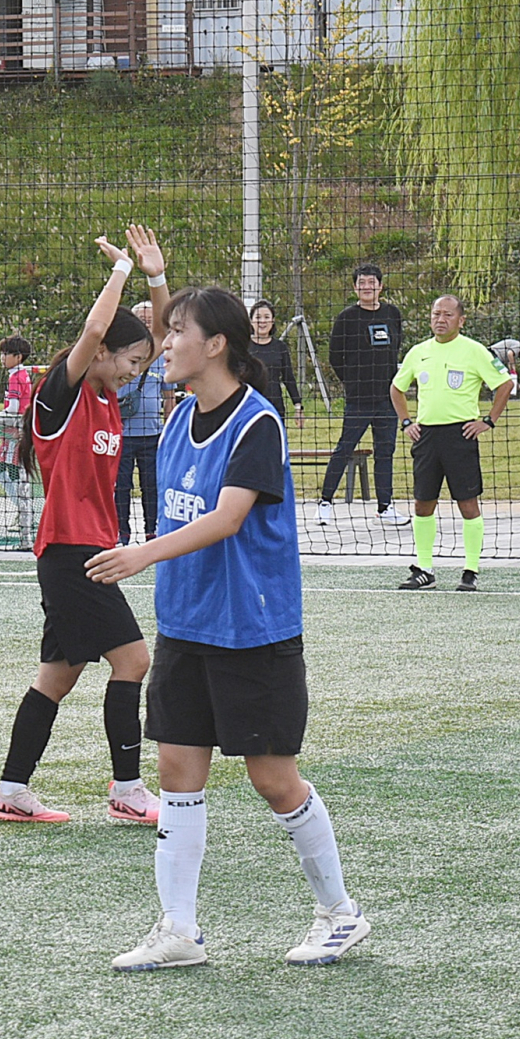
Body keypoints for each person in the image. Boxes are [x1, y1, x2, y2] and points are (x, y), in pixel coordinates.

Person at [86, 286, 370, 972]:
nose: (163, 342)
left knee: (274, 778)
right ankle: (179, 928)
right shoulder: (182, 413)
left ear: (215, 344)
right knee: (178, 772)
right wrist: (156, 280)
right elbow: (173, 324)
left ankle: (341, 913)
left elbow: (228, 517)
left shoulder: (258, 422)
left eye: (178, 332)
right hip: (187, 623)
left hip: (253, 630)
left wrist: (140, 552)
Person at [0, 227, 170, 827]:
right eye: (131, 362)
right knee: (134, 661)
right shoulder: (58, 394)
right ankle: (127, 789)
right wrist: (118, 274)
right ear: (102, 355)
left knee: (55, 679)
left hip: (86, 550)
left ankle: (12, 790)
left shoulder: (109, 396)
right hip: (72, 553)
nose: (138, 371)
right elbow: (95, 333)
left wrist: (155, 277)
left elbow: (161, 337)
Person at [390, 295, 513, 592]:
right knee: (423, 503)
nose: (440, 319)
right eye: (435, 314)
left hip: (461, 436)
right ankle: (424, 570)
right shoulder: (418, 352)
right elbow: (397, 388)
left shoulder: (474, 351)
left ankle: (471, 569)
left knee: (467, 504)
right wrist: (407, 422)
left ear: (461, 320)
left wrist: (488, 421)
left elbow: (505, 383)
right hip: (427, 437)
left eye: (447, 314)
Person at [317, 265, 406, 526]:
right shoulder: (347, 317)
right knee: (345, 447)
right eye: (362, 283)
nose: (367, 286)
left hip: (387, 398)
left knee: (385, 451)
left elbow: (396, 347)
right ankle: (325, 502)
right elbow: (335, 356)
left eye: (372, 282)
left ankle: (385, 506)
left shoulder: (392, 314)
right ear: (355, 287)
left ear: (380, 286)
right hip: (358, 398)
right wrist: (353, 381)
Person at [115, 300, 170, 544]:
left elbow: (169, 396)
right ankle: (121, 532)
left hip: (152, 434)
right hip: (121, 434)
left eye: (150, 320)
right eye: (142, 319)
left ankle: (152, 529)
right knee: (121, 487)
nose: (147, 324)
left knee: (151, 485)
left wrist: (169, 428)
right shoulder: (119, 354)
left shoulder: (163, 356)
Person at [0, 335, 36, 537]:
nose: (2, 357)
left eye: (5, 353)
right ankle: (24, 510)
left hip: (15, 433)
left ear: (18, 357)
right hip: (16, 431)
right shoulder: (20, 375)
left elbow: (14, 407)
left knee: (5, 470)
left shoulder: (16, 377)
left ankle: (24, 511)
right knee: (11, 470)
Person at [248, 301, 303, 418]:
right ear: (251, 321)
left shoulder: (280, 347)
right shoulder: (243, 346)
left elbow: (288, 377)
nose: (262, 321)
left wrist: (298, 405)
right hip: (248, 406)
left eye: (266, 317)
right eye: (258, 317)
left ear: (272, 321)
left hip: (274, 406)